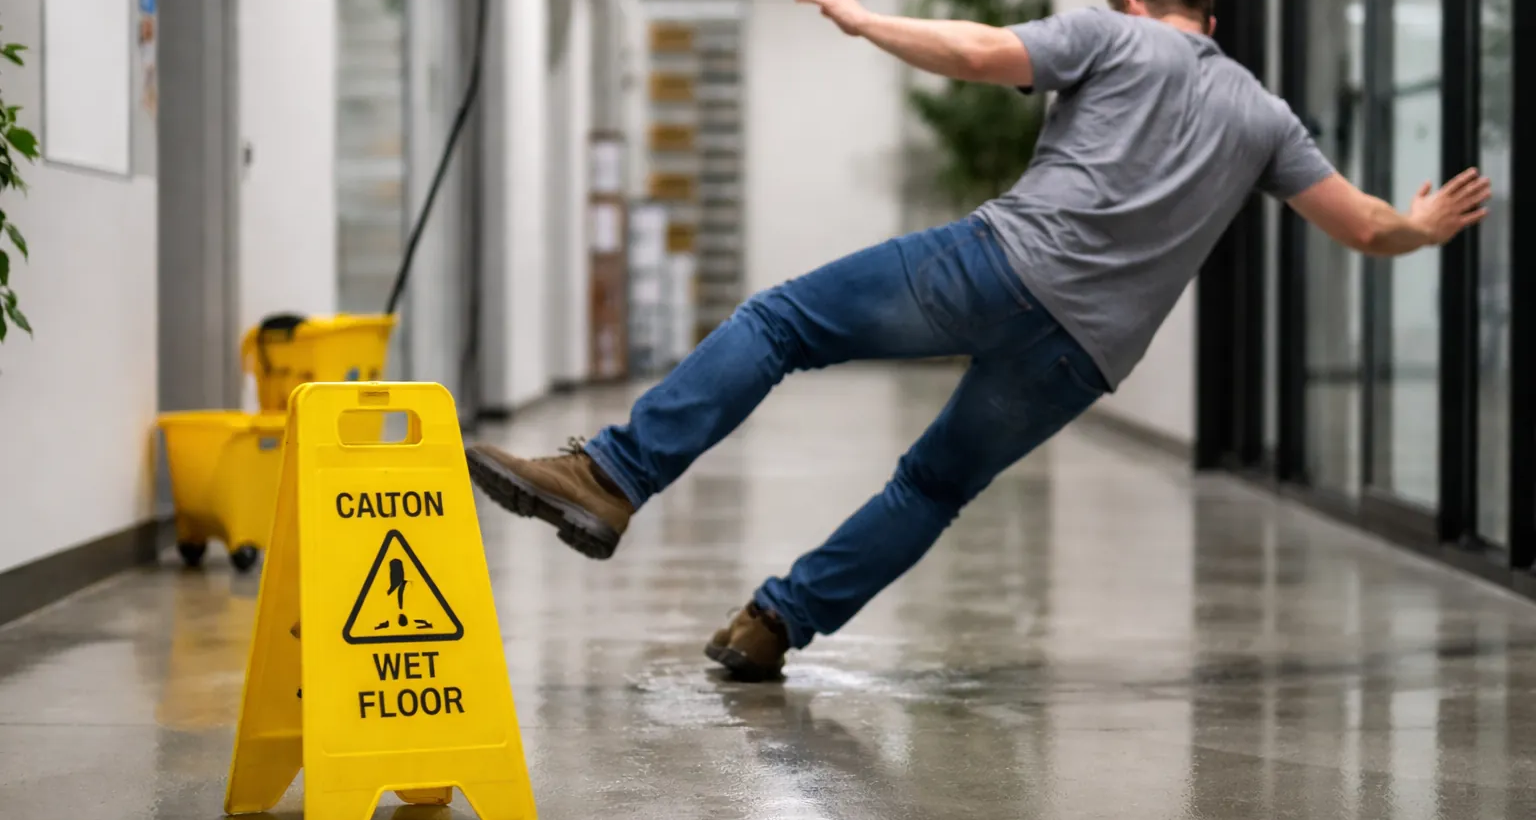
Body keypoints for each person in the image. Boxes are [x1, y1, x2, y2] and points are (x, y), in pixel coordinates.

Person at [466, 0, 1492, 682]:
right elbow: (1366, 228)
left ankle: (614, 473)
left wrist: (868, 21)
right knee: (932, 487)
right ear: (1215, 20)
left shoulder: (1109, 33)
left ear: (1139, 4)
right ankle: (770, 627)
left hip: (997, 266)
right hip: (1084, 354)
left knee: (779, 322)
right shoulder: (1265, 115)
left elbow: (974, 51)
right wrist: (1423, 223)